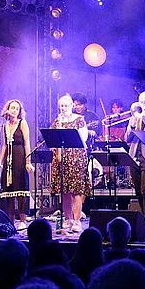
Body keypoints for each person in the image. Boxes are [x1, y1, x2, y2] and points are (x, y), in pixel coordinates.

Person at [50, 94, 90, 235]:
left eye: (66, 105)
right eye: (61, 106)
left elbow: (83, 138)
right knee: (64, 191)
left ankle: (77, 220)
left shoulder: (79, 120)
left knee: (76, 190)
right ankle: (67, 220)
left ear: (71, 106)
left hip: (76, 157)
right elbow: (52, 140)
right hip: (61, 158)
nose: (63, 108)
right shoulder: (57, 121)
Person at [0, 98, 33, 227]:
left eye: (17, 108)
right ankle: (10, 221)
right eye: (12, 108)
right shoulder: (4, 125)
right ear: (8, 109)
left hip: (20, 157)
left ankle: (22, 220)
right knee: (8, 190)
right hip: (8, 160)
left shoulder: (22, 123)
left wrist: (28, 161)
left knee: (21, 188)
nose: (14, 110)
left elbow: (27, 143)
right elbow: (4, 145)